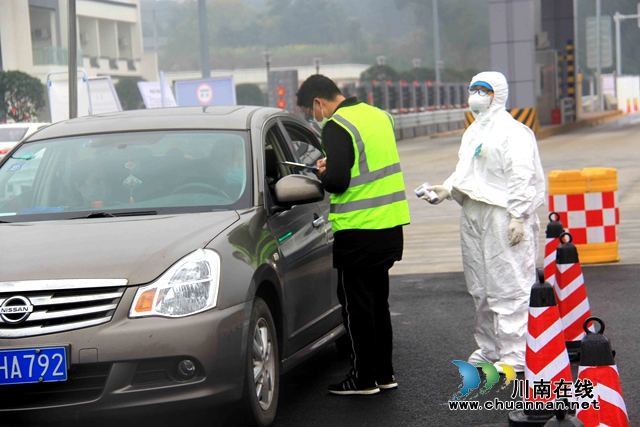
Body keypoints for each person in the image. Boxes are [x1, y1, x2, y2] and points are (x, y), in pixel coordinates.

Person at [423, 71, 545, 373]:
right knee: (480, 285)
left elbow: (522, 175)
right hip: (474, 213)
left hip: (502, 214)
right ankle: (490, 349)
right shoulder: (474, 131)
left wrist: (518, 215)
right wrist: (447, 189)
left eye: (483, 89)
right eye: (473, 88)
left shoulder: (513, 132)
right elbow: (468, 169)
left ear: (497, 94)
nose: (476, 94)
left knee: (509, 283)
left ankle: (515, 354)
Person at [296, 75, 411, 395]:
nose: (313, 117)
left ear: (319, 102)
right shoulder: (379, 116)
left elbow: (338, 182)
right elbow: (366, 162)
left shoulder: (336, 125)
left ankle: (363, 379)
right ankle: (384, 374)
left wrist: (322, 171)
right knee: (378, 304)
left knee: (356, 307)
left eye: (310, 110)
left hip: (359, 229)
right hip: (389, 225)